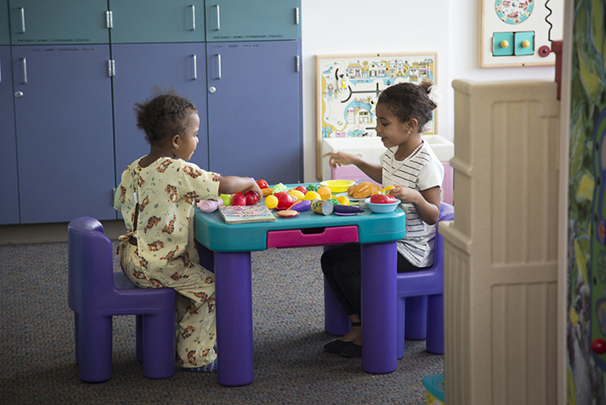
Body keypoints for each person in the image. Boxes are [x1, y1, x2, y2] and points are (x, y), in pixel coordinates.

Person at [113, 90, 262, 372]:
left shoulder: (133, 168)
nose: (197, 140)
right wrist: (249, 181)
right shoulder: (177, 169)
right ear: (177, 141)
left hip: (130, 257)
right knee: (212, 288)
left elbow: (125, 203)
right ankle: (196, 356)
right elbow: (225, 184)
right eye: (195, 134)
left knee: (191, 279)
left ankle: (184, 343)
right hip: (158, 265)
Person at [321, 80, 444, 358]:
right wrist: (355, 161)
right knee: (329, 260)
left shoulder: (426, 163)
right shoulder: (393, 153)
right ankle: (359, 326)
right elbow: (385, 175)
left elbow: (433, 215)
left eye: (384, 123)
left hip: (411, 250)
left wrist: (414, 196)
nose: (378, 129)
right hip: (388, 239)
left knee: (347, 269)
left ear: (410, 125)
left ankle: (372, 330)